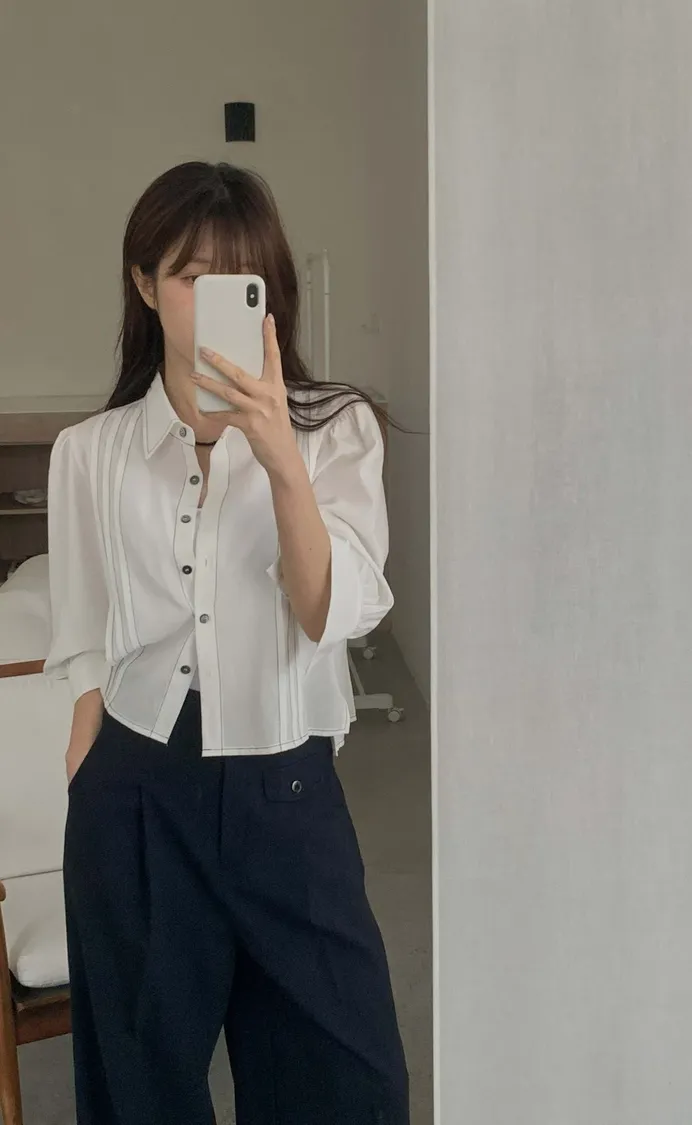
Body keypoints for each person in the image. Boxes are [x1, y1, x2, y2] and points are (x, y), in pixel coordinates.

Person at [44, 161, 409, 1125]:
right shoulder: (88, 454)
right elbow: (86, 634)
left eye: (236, 278)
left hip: (287, 788)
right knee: (141, 1092)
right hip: (136, 795)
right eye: (188, 276)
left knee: (348, 1085)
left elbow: (333, 610)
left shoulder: (336, 431)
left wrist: (280, 458)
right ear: (143, 283)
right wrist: (88, 764)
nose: (212, 299)